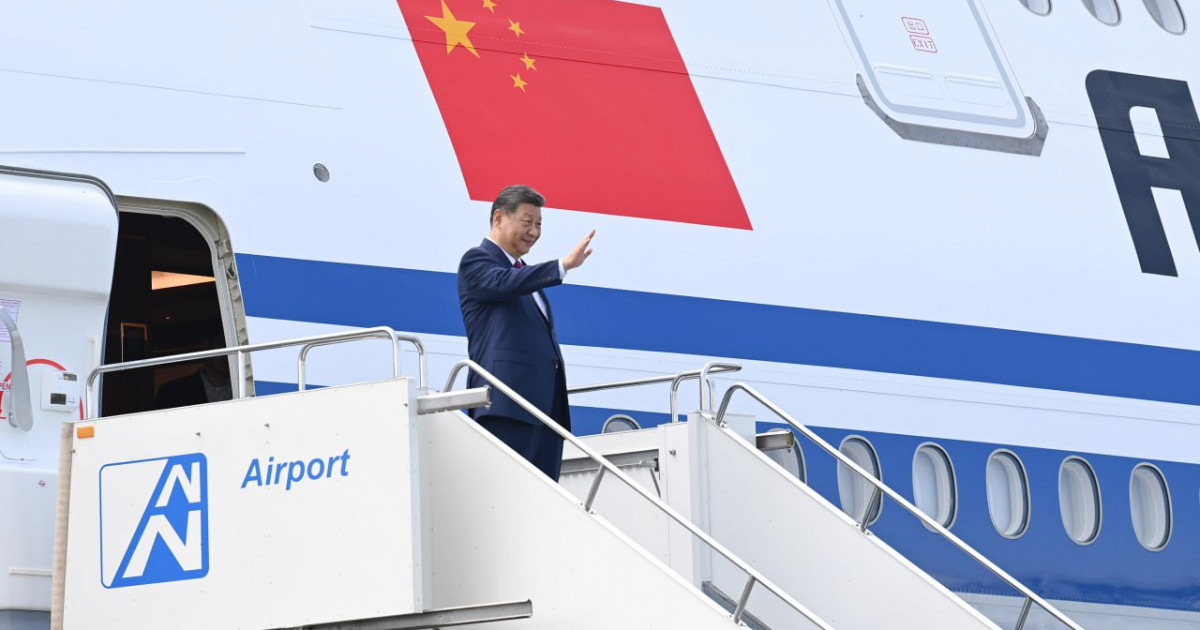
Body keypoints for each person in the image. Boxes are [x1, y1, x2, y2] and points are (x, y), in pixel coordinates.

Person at [457, 185, 594, 481]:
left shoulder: (525, 275)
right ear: (499, 218)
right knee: (507, 494)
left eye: (539, 224)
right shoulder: (477, 261)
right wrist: (562, 266)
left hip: (545, 413)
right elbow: (505, 282)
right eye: (527, 222)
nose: (534, 231)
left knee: (542, 499)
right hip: (506, 406)